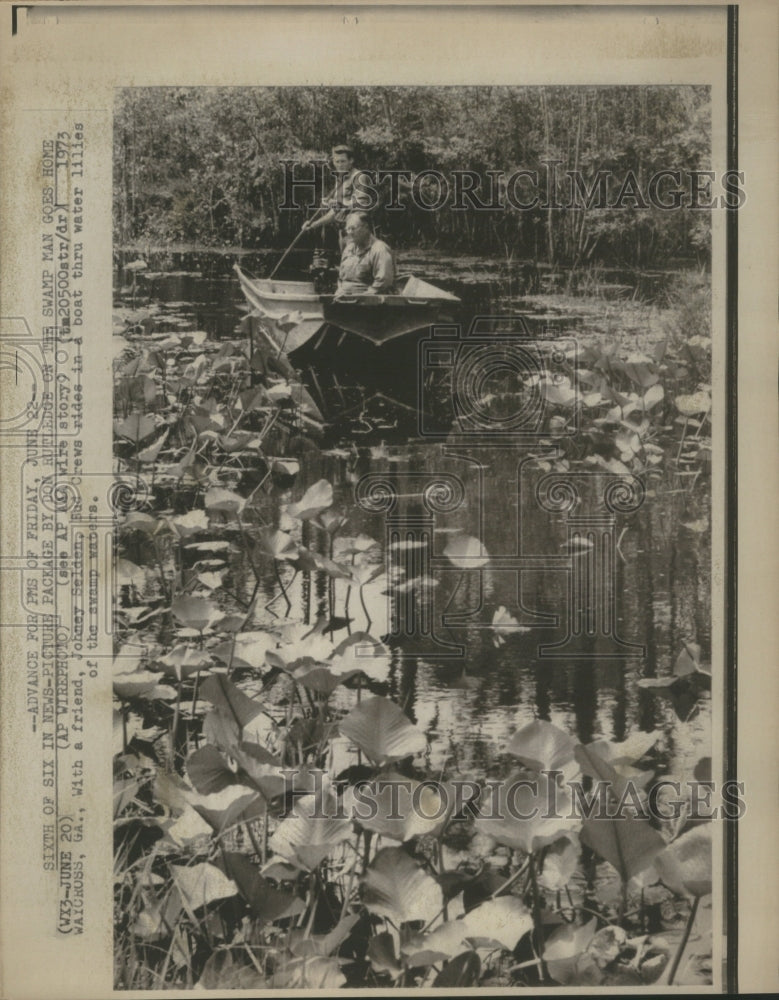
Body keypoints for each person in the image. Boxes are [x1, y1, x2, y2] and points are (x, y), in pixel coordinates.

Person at [302, 145, 372, 248]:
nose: (339, 165)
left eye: (343, 161)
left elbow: (361, 203)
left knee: (355, 263)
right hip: (344, 233)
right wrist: (312, 225)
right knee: (345, 263)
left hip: (357, 232)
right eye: (337, 162)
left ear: (351, 160)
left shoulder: (359, 177)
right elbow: (334, 213)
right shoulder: (340, 179)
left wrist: (339, 203)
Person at [336, 211, 395, 296]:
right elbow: (341, 278)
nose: (350, 232)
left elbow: (383, 282)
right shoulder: (348, 249)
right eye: (348, 229)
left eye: (353, 228)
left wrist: (364, 296)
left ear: (366, 228)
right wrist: (340, 290)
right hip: (343, 299)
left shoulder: (379, 249)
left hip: (366, 303)